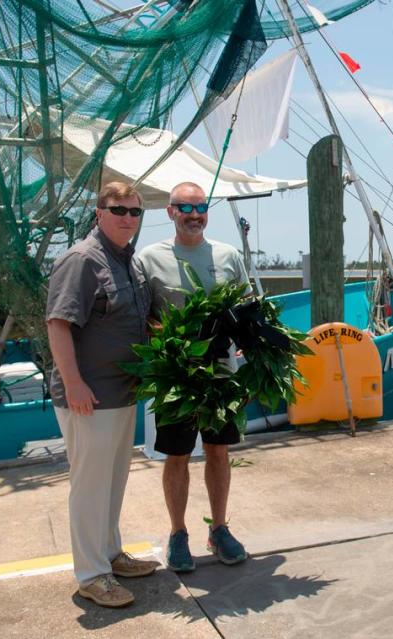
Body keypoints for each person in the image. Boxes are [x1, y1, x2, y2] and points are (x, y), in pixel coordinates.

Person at [46, 181, 158, 608]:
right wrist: (74, 383)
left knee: (113, 482)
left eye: (135, 212)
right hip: (88, 397)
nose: (128, 218)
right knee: (90, 487)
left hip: (121, 393)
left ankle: (110, 554)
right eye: (119, 210)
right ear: (99, 213)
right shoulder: (82, 260)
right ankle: (92, 575)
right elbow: (59, 324)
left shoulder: (127, 261)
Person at [137, 181, 251, 573]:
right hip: (176, 376)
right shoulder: (148, 258)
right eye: (185, 208)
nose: (194, 214)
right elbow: (140, 317)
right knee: (178, 455)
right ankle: (178, 533)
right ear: (170, 212)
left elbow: (246, 308)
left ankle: (219, 528)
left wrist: (252, 346)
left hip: (220, 372)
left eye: (201, 206)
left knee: (219, 451)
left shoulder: (228, 255)